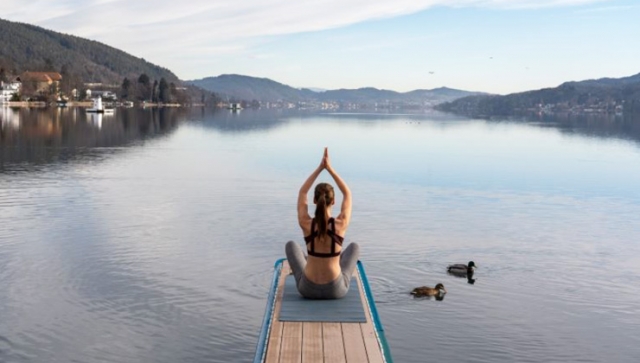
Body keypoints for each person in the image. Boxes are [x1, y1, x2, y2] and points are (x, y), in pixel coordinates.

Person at [285, 147, 359, 299]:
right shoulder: (341, 223)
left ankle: (313, 261)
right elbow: (347, 193)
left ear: (314, 200)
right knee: (354, 248)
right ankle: (332, 260)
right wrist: (330, 169)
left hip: (307, 290)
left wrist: (320, 168)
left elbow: (302, 192)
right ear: (333, 201)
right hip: (335, 290)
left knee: (291, 245)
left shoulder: (306, 223)